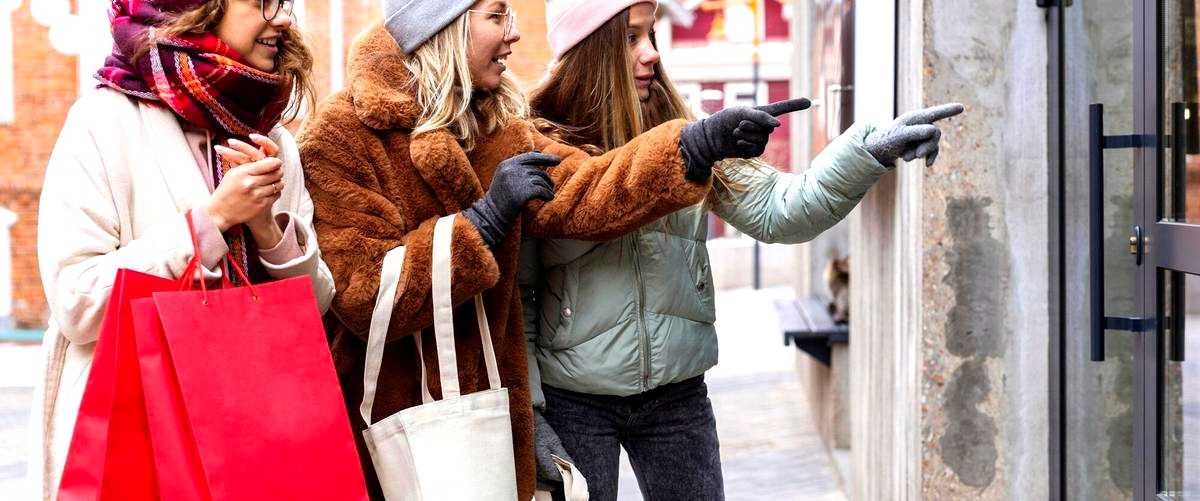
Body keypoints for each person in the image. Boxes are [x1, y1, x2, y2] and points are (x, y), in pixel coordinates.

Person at [296, 0, 806, 498]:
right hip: (395, 417)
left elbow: (585, 192)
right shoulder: (341, 136)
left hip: (491, 410)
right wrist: (482, 224)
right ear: (445, 26)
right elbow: (362, 294)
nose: (514, 33)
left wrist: (692, 148)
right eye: (498, 15)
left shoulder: (495, 122)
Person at [521, 1, 964, 499]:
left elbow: (781, 208)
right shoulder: (539, 146)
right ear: (589, 49)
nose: (651, 55)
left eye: (652, 36)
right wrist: (532, 412)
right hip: (573, 399)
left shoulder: (688, 134)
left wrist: (870, 150)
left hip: (676, 394)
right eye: (630, 38)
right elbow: (520, 297)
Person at [29, 0, 335, 499]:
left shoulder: (274, 137)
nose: (283, 19)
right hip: (140, 440)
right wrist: (211, 222)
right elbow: (77, 303)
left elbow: (312, 314)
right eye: (263, 3)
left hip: (256, 440)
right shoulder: (105, 123)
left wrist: (266, 227)